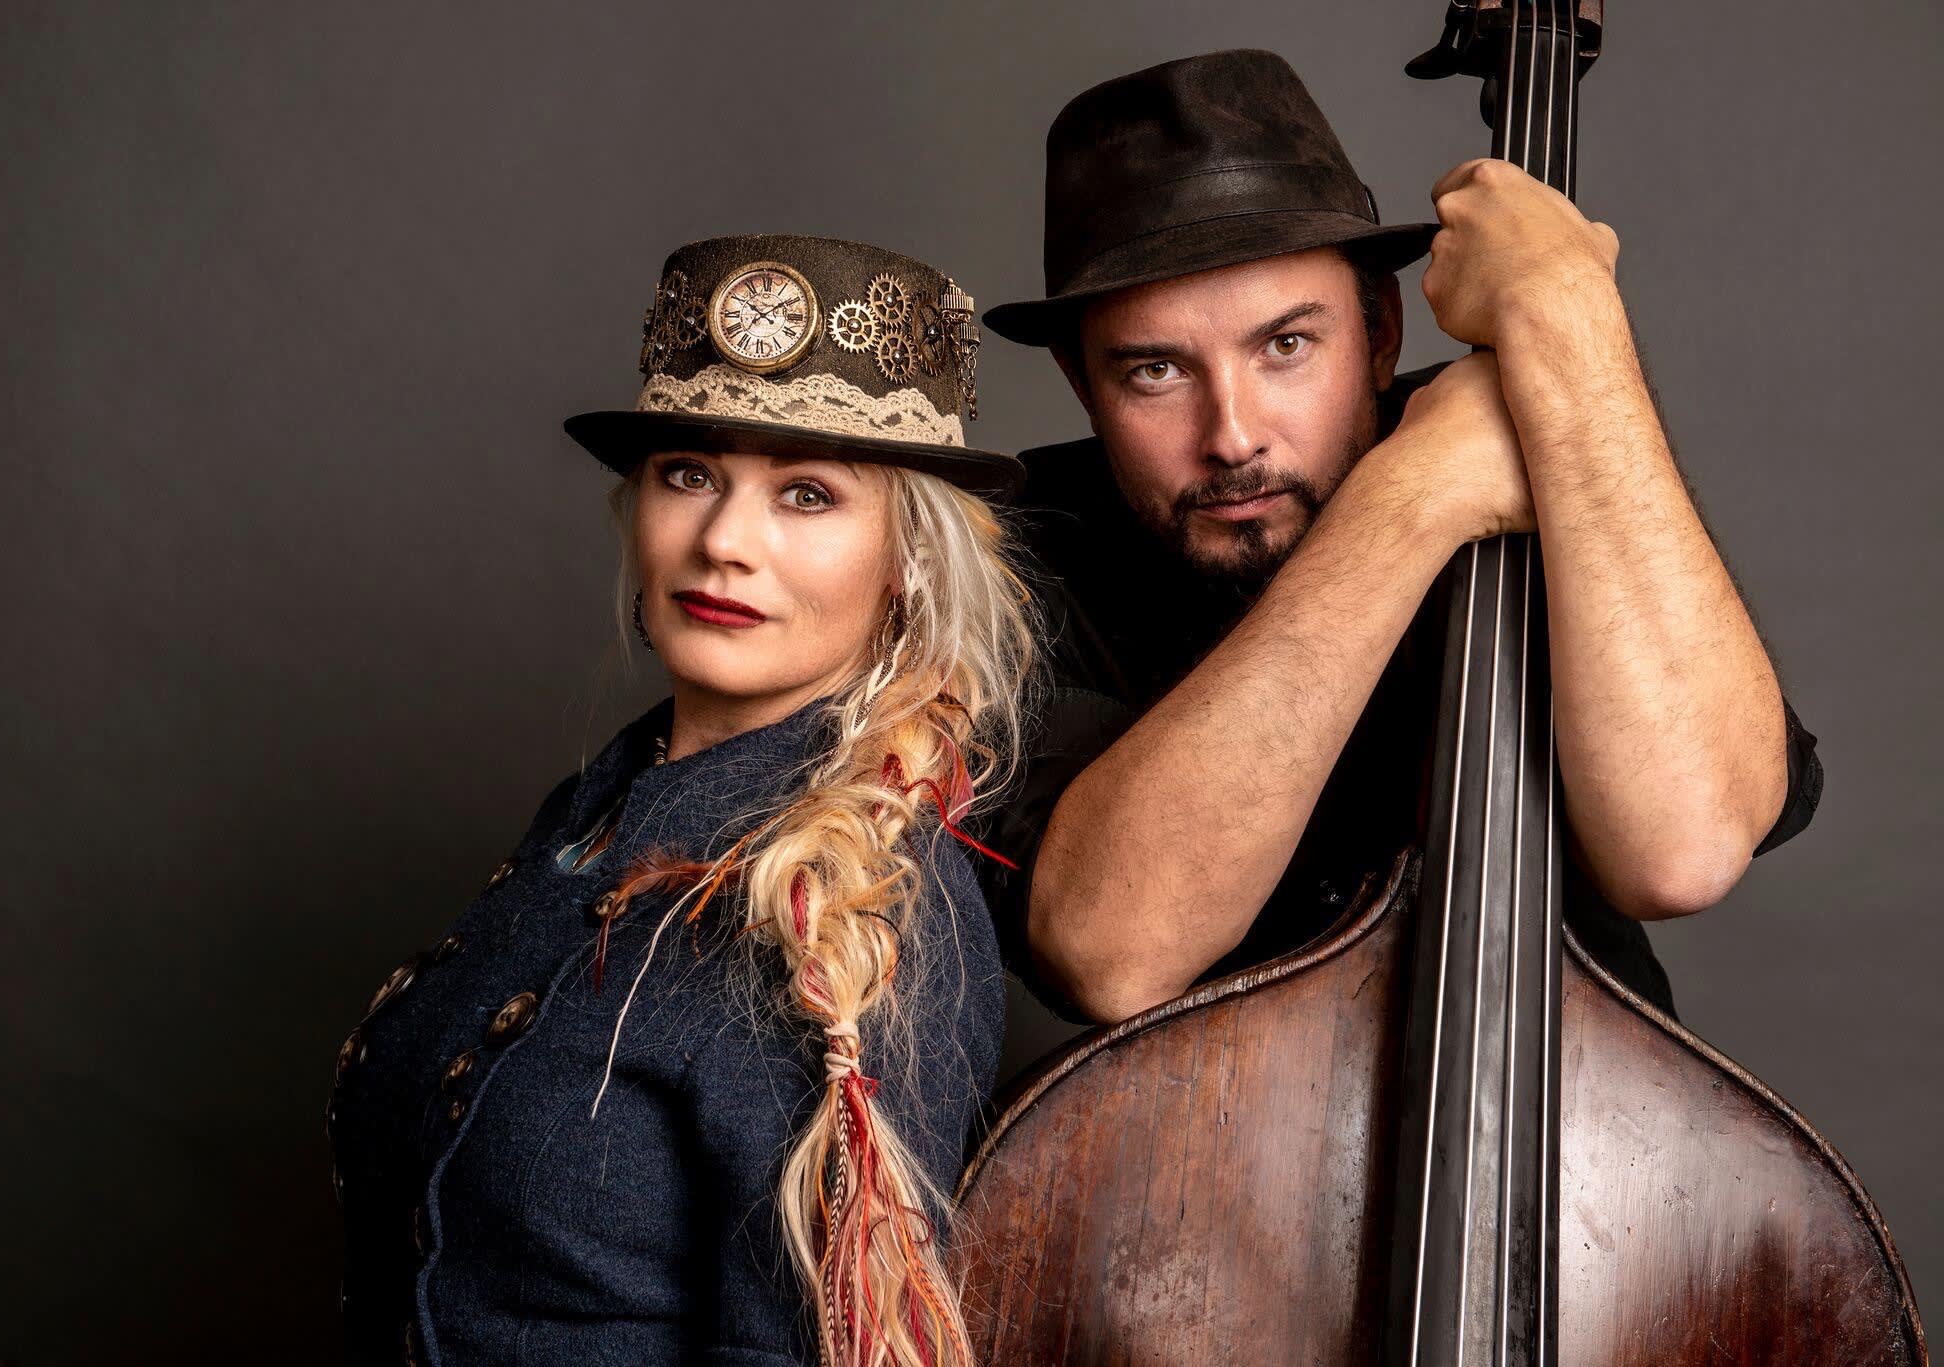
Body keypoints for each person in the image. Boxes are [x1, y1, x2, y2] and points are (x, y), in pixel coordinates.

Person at [977, 50, 1823, 1026]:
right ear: (1081, 382)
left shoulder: (1533, 439)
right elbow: (1112, 953)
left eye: (1286, 345)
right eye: (1154, 371)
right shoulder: (1002, 563)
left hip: (1586, 1117)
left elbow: (1685, 848)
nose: (1232, 436)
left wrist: (1571, 318)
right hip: (1192, 1130)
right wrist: (1406, 501)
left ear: (1379, 329)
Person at [326, 234, 1036, 1365]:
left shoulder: (864, 907)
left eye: (807, 494)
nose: (723, 542)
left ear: (906, 562)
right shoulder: (598, 806)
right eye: (690, 474)